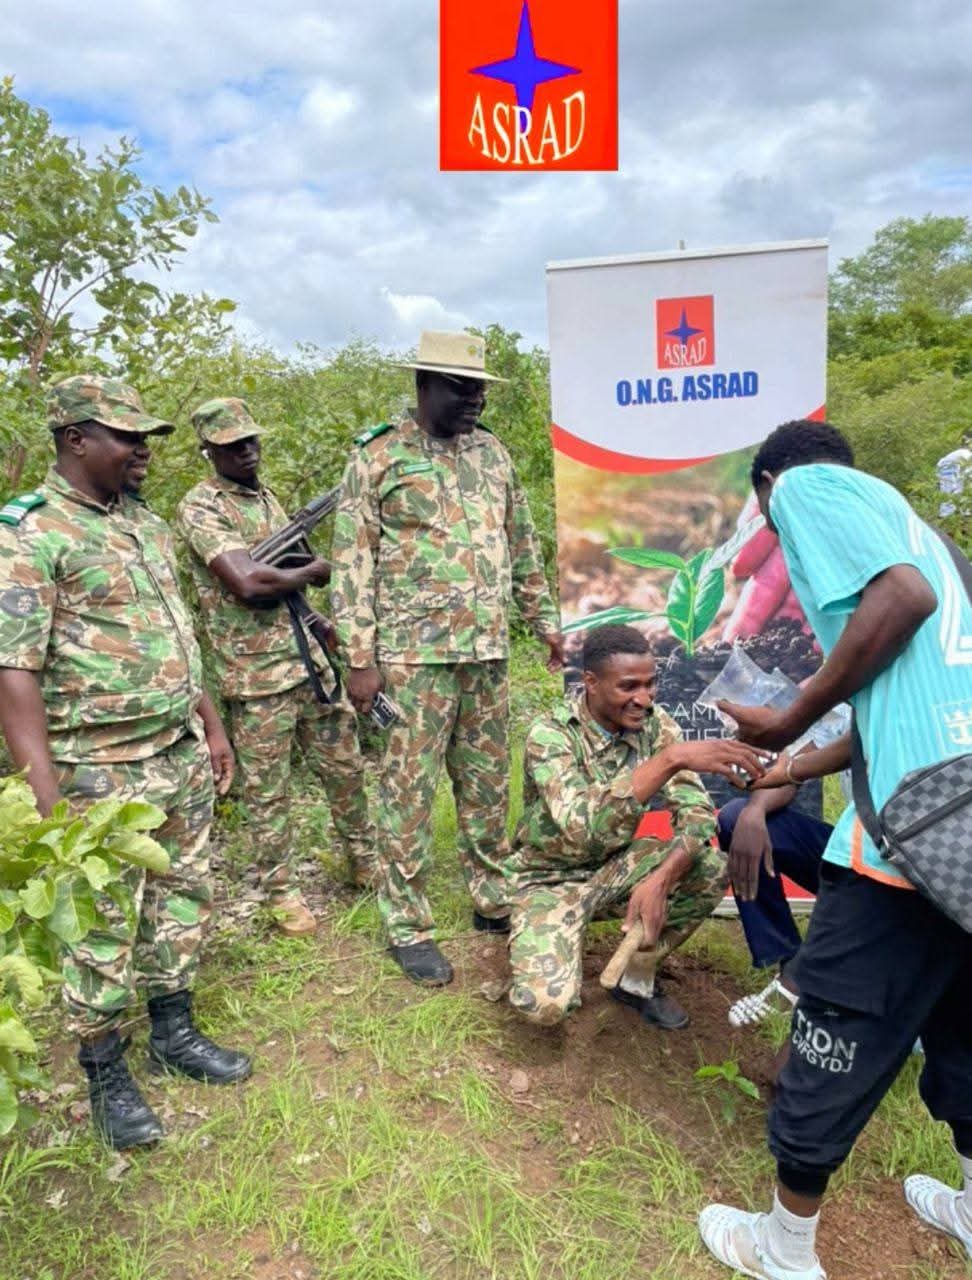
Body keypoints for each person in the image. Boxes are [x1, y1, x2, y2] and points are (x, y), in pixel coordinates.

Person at [699, 419, 972, 1280]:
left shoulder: (807, 489)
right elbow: (888, 713)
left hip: (906, 839)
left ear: (767, 488)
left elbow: (900, 600)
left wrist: (787, 710)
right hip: (962, 833)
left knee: (833, 1037)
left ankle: (785, 1249)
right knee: (965, 1031)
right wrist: (795, 758)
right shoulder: (935, 542)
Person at [0, 375, 251, 1152]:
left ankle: (173, 1030)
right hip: (97, 770)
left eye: (145, 437)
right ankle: (104, 1068)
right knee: (102, 929)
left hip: (174, 752)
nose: (142, 450)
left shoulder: (140, 523)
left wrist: (209, 724)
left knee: (181, 897)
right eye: (127, 436)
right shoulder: (29, 533)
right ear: (75, 439)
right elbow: (14, 669)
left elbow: (178, 636)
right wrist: (46, 794)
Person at [329, 330, 563, 985]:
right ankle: (407, 924)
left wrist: (544, 621)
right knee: (406, 794)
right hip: (411, 660)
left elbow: (523, 544)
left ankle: (492, 898)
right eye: (463, 387)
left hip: (486, 652)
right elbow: (351, 563)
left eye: (481, 387)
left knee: (487, 789)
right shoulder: (378, 458)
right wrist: (359, 659)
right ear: (424, 384)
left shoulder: (493, 454)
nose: (476, 400)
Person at [175, 397, 376, 936]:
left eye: (251, 441)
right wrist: (314, 569)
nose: (246, 451)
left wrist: (322, 625)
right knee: (268, 792)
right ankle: (282, 891)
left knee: (346, 769)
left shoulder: (268, 499)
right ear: (208, 450)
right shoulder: (201, 507)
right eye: (232, 445)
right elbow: (245, 583)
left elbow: (286, 582)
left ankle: (364, 862)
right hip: (256, 675)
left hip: (308, 662)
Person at [505, 624, 768, 1029]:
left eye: (650, 684)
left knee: (712, 867)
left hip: (617, 866)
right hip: (548, 879)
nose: (643, 699)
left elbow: (696, 814)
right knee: (546, 1007)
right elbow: (584, 828)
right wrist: (668, 760)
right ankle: (547, 937)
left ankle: (635, 978)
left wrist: (663, 876)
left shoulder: (655, 724)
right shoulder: (551, 735)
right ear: (591, 683)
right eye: (628, 686)